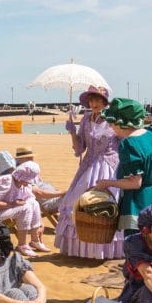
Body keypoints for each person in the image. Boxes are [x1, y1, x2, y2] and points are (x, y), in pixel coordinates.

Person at [54, 84, 123, 259]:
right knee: (77, 203)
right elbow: (80, 149)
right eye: (91, 99)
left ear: (105, 102)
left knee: (106, 206)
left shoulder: (113, 119)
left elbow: (123, 142)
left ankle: (104, 249)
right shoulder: (85, 119)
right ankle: (82, 249)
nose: (94, 103)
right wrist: (72, 131)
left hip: (108, 167)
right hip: (87, 166)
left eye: (98, 99)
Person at [94, 98, 152, 235]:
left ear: (121, 122)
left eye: (112, 123)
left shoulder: (128, 144)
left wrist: (107, 183)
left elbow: (135, 183)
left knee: (138, 244)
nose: (111, 127)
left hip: (139, 201)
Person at [0, 161, 50, 256]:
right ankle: (22, 245)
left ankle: (34, 240)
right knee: (25, 208)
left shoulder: (22, 184)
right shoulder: (6, 181)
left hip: (7, 210)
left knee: (34, 203)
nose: (29, 182)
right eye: (28, 180)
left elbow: (29, 199)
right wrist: (12, 204)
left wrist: (40, 222)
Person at [13, 146, 66, 216]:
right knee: (73, 197)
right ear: (20, 159)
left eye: (31, 157)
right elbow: (38, 193)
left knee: (74, 194)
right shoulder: (22, 176)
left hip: (52, 198)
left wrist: (58, 192)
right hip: (46, 204)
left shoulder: (29, 170)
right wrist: (60, 193)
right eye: (29, 158)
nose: (32, 159)